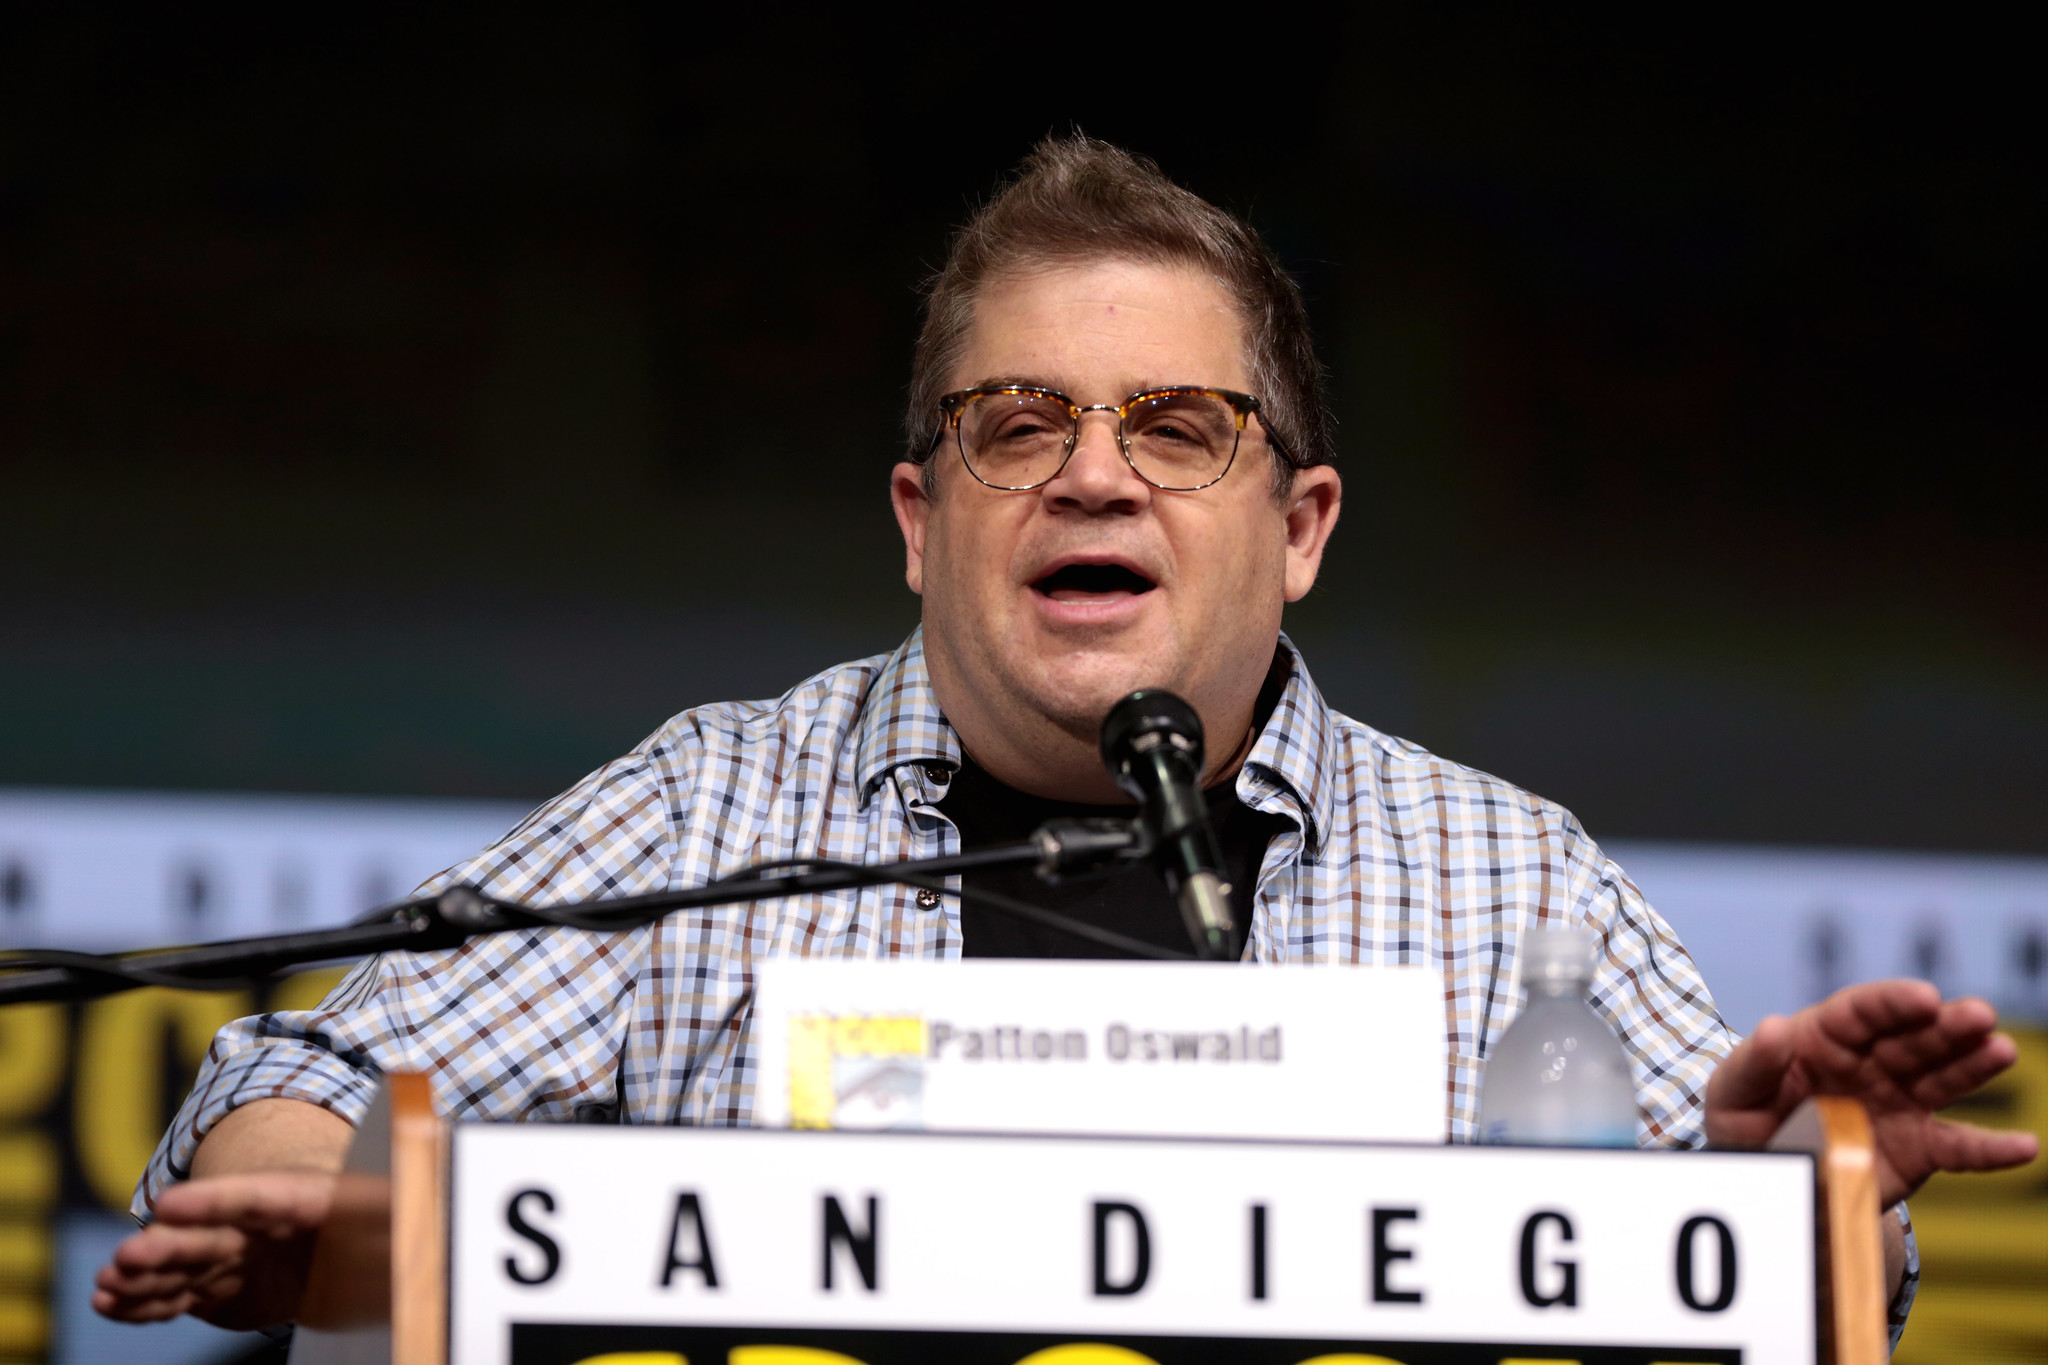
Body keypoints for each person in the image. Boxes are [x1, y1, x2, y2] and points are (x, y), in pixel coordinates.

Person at [95, 136, 2035, 1346]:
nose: (1090, 469)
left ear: (1302, 526)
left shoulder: (1505, 872)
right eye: (1016, 424)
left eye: (1175, 427)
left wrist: (1774, 1184)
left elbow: (1811, 1280)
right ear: (923, 514)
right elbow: (295, 1088)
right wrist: (316, 1206)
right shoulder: (715, 803)